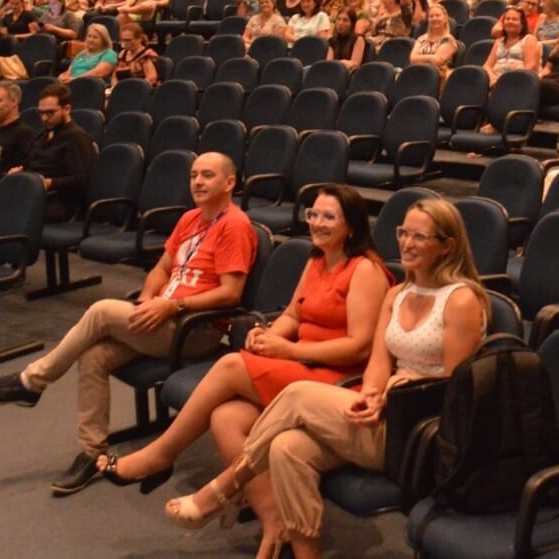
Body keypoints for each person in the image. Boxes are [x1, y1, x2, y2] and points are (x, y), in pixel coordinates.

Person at [161, 198, 486, 559]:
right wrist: (375, 392)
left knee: (299, 393)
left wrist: (393, 394)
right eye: (403, 233)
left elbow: (455, 389)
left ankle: (224, 487)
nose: (407, 243)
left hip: (418, 433)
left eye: (420, 237)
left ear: (447, 246)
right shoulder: (397, 295)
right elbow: (378, 364)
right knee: (286, 449)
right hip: (385, 411)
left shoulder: (461, 301)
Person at [91, 186, 395, 546]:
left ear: (353, 227)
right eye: (313, 214)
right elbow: (293, 314)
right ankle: (274, 524)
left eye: (329, 217)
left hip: (337, 379)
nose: (317, 223)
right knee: (226, 419)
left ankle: (161, 454)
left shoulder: (366, 271)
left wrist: (287, 351)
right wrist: (266, 335)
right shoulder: (317, 260)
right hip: (302, 363)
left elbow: (359, 345)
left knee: (232, 365)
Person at [0, 153, 260, 496]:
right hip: (163, 316)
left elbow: (230, 293)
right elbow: (161, 269)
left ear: (230, 183)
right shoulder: (190, 219)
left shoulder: (236, 226)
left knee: (102, 310)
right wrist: (146, 301)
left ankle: (32, 381)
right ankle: (92, 452)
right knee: (94, 357)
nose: (197, 181)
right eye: (194, 175)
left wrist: (172, 305)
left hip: (196, 330)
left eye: (208, 175)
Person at [8, 85, 96, 222]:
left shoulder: (76, 137)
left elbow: (82, 179)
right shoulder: (42, 134)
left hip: (59, 202)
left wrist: (50, 183)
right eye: (41, 113)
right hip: (33, 192)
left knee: (6, 210)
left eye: (50, 113)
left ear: (66, 109)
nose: (44, 118)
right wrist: (20, 171)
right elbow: (29, 163)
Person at [482, 6, 541, 85]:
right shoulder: (498, 41)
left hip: (518, 81)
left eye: (514, 19)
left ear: (522, 23)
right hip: (495, 81)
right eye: (507, 19)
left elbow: (531, 67)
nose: (510, 21)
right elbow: (487, 66)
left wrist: (505, 79)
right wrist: (492, 77)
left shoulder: (529, 39)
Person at [410, 3, 458, 80]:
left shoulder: (449, 40)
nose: (434, 18)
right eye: (431, 16)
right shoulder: (421, 38)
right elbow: (412, 59)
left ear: (445, 18)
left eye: (438, 15)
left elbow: (437, 61)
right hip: (417, 73)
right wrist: (431, 58)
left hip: (437, 77)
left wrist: (419, 58)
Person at [114, 20, 160, 86]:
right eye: (123, 40)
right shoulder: (122, 54)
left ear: (139, 39)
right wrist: (115, 87)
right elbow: (114, 77)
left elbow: (151, 78)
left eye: (129, 40)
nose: (125, 43)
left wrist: (135, 88)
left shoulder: (147, 55)